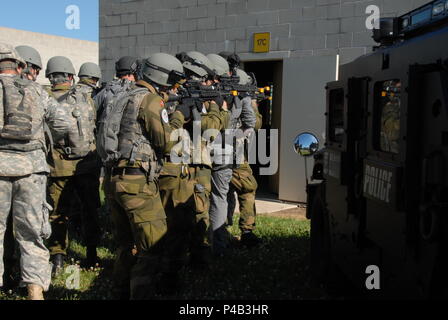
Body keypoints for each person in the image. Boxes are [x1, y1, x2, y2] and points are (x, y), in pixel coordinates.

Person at [108, 53, 185, 299]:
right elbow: (166, 143)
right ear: (160, 75)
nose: (174, 86)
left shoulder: (123, 95)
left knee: (126, 244)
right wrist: (178, 117)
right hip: (137, 182)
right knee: (153, 245)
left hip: (114, 179)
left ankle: (119, 292)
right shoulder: (150, 100)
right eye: (172, 79)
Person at [0, 43, 72, 300]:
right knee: (31, 232)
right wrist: (42, 139)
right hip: (32, 169)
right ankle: (35, 291)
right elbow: (64, 122)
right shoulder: (36, 91)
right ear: (18, 65)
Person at [161, 51, 230, 283]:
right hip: (188, 163)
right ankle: (192, 260)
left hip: (181, 163)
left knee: (180, 213)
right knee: (195, 211)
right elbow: (208, 131)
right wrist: (215, 109)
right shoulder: (174, 97)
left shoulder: (171, 92)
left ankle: (184, 259)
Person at [45, 56, 101, 273]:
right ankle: (92, 254)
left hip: (58, 167)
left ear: (51, 76)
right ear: (70, 76)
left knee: (58, 213)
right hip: (86, 164)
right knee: (90, 209)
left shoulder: (45, 99)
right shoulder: (86, 98)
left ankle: (58, 258)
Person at [208, 55, 256, 256]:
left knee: (211, 197)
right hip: (226, 154)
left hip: (208, 153)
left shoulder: (210, 91)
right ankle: (219, 242)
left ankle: (213, 242)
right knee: (221, 196)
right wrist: (234, 140)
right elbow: (250, 123)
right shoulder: (240, 92)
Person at [226, 69, 262, 247]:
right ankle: (247, 232)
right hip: (235, 155)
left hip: (222, 153)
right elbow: (256, 123)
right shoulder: (240, 98)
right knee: (248, 188)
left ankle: (221, 232)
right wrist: (253, 102)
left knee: (224, 193)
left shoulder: (223, 92)